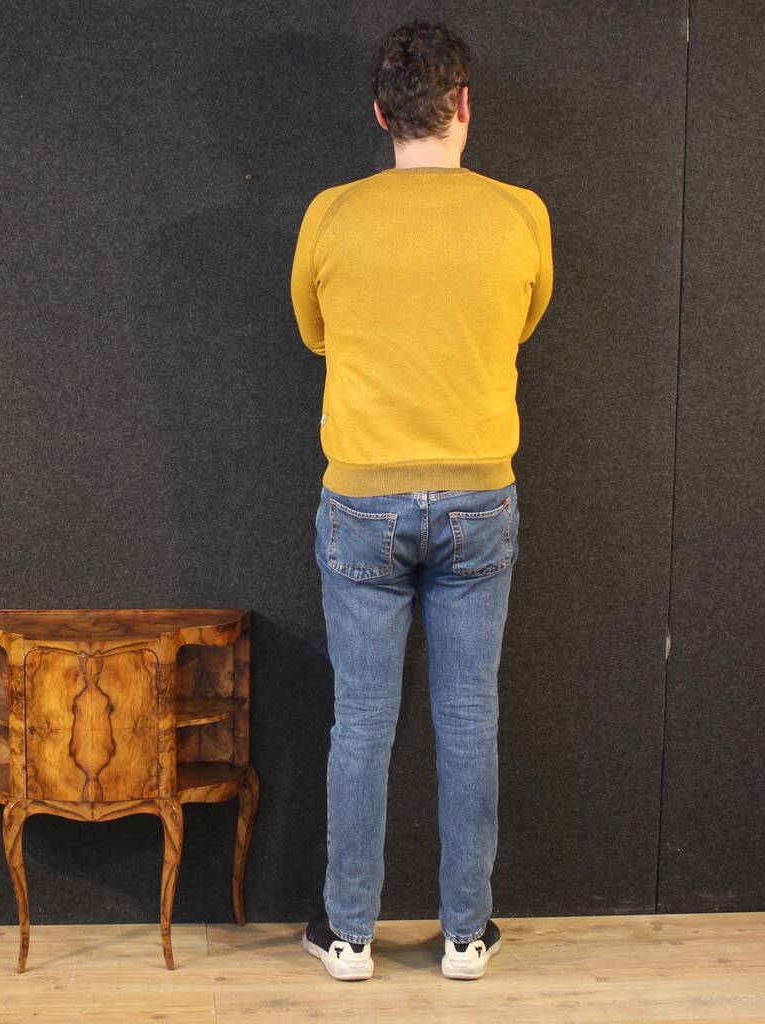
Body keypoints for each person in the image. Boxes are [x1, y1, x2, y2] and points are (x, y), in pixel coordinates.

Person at [289, 19, 554, 983]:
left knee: (360, 719)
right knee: (469, 714)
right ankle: (465, 935)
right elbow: (524, 320)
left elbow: (313, 331)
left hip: (362, 495)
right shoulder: (521, 213)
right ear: (464, 106)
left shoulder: (332, 213)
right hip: (481, 492)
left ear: (380, 113)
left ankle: (350, 935)